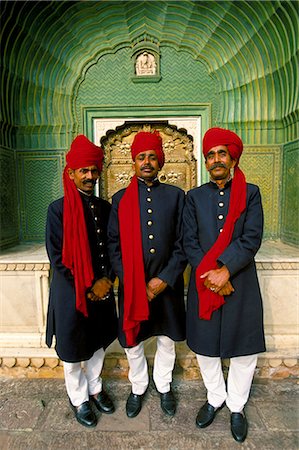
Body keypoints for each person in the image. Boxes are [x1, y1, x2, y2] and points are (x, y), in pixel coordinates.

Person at [183, 127, 266, 443]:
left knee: (243, 349)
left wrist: (226, 271)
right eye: (210, 155)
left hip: (240, 281)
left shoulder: (251, 193)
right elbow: (189, 241)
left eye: (221, 153)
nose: (216, 159)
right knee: (205, 346)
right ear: (205, 161)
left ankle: (236, 406)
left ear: (232, 157)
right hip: (205, 282)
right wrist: (211, 275)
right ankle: (215, 396)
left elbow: (251, 237)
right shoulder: (195, 197)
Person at [107, 130, 186, 418]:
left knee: (166, 339)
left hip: (168, 285)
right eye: (141, 157)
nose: (147, 162)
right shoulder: (120, 199)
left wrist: (164, 279)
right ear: (134, 162)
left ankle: (163, 386)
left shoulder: (177, 197)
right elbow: (113, 246)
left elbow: (183, 243)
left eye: (153, 156)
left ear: (161, 162)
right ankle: (138, 387)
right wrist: (134, 283)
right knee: (134, 341)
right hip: (133, 286)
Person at [45, 135, 118, 428]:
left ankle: (96, 388)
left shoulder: (104, 208)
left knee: (99, 342)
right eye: (83, 171)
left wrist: (107, 280)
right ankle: (79, 398)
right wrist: (89, 285)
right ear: (72, 173)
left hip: (102, 290)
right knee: (74, 349)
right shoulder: (58, 209)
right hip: (71, 292)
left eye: (93, 170)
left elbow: (114, 248)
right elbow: (57, 257)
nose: (89, 176)